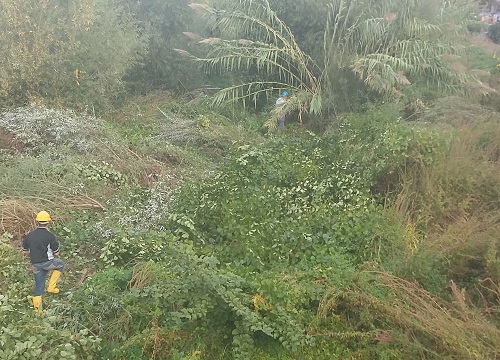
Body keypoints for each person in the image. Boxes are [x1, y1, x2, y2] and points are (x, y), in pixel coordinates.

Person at [22, 210, 64, 314]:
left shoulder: (30, 235)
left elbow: (24, 250)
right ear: (48, 222)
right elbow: (56, 252)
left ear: (37, 222)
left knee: (39, 286)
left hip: (35, 265)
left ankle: (38, 311)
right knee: (60, 264)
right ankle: (51, 287)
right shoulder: (50, 235)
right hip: (47, 263)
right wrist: (55, 254)